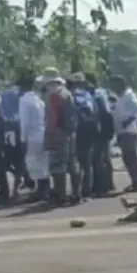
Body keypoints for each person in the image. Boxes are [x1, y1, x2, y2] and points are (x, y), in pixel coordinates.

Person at [43, 73, 79, 205]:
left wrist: (48, 136)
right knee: (72, 164)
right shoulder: (67, 94)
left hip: (57, 134)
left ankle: (61, 195)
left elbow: (52, 119)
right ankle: (76, 193)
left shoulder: (53, 96)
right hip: (70, 133)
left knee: (57, 166)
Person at [109, 77, 137, 193]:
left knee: (131, 157)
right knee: (127, 158)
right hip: (121, 131)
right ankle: (135, 181)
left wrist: (128, 121)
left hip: (129, 130)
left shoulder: (129, 95)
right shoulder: (119, 97)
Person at [18, 73, 49, 202]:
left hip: (32, 134)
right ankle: (44, 188)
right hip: (42, 132)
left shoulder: (24, 100)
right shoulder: (38, 99)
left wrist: (23, 140)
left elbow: (24, 123)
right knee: (43, 162)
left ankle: (41, 190)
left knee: (33, 162)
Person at [67, 73, 98, 200]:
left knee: (75, 161)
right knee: (87, 162)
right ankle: (87, 190)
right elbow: (96, 112)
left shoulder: (71, 96)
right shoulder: (88, 95)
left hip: (78, 130)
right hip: (90, 130)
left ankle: (77, 191)